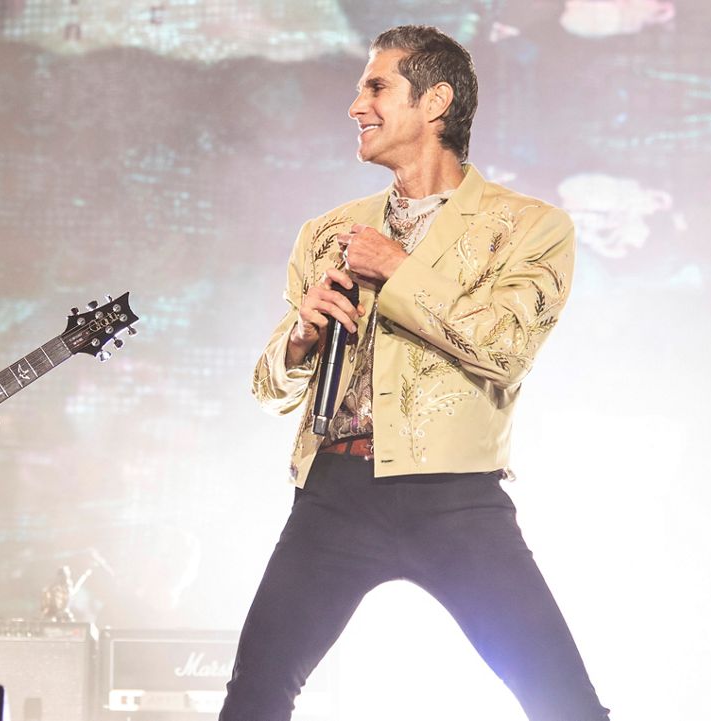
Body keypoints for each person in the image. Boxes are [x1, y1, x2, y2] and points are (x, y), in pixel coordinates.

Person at [220, 26, 610, 720]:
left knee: (564, 702)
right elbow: (269, 388)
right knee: (254, 695)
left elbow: (506, 346)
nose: (355, 107)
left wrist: (398, 270)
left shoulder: (528, 227)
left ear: (436, 101)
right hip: (335, 491)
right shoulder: (328, 231)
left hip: (455, 496)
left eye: (375, 87)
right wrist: (301, 339)